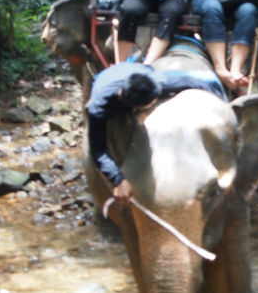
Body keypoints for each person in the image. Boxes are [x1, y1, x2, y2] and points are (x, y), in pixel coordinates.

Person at [87, 62, 226, 204]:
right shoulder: (99, 107)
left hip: (137, 70)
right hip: (106, 81)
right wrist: (118, 180)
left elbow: (198, 83)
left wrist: (220, 109)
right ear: (137, 107)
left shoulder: (153, 81)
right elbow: (98, 150)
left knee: (210, 79)